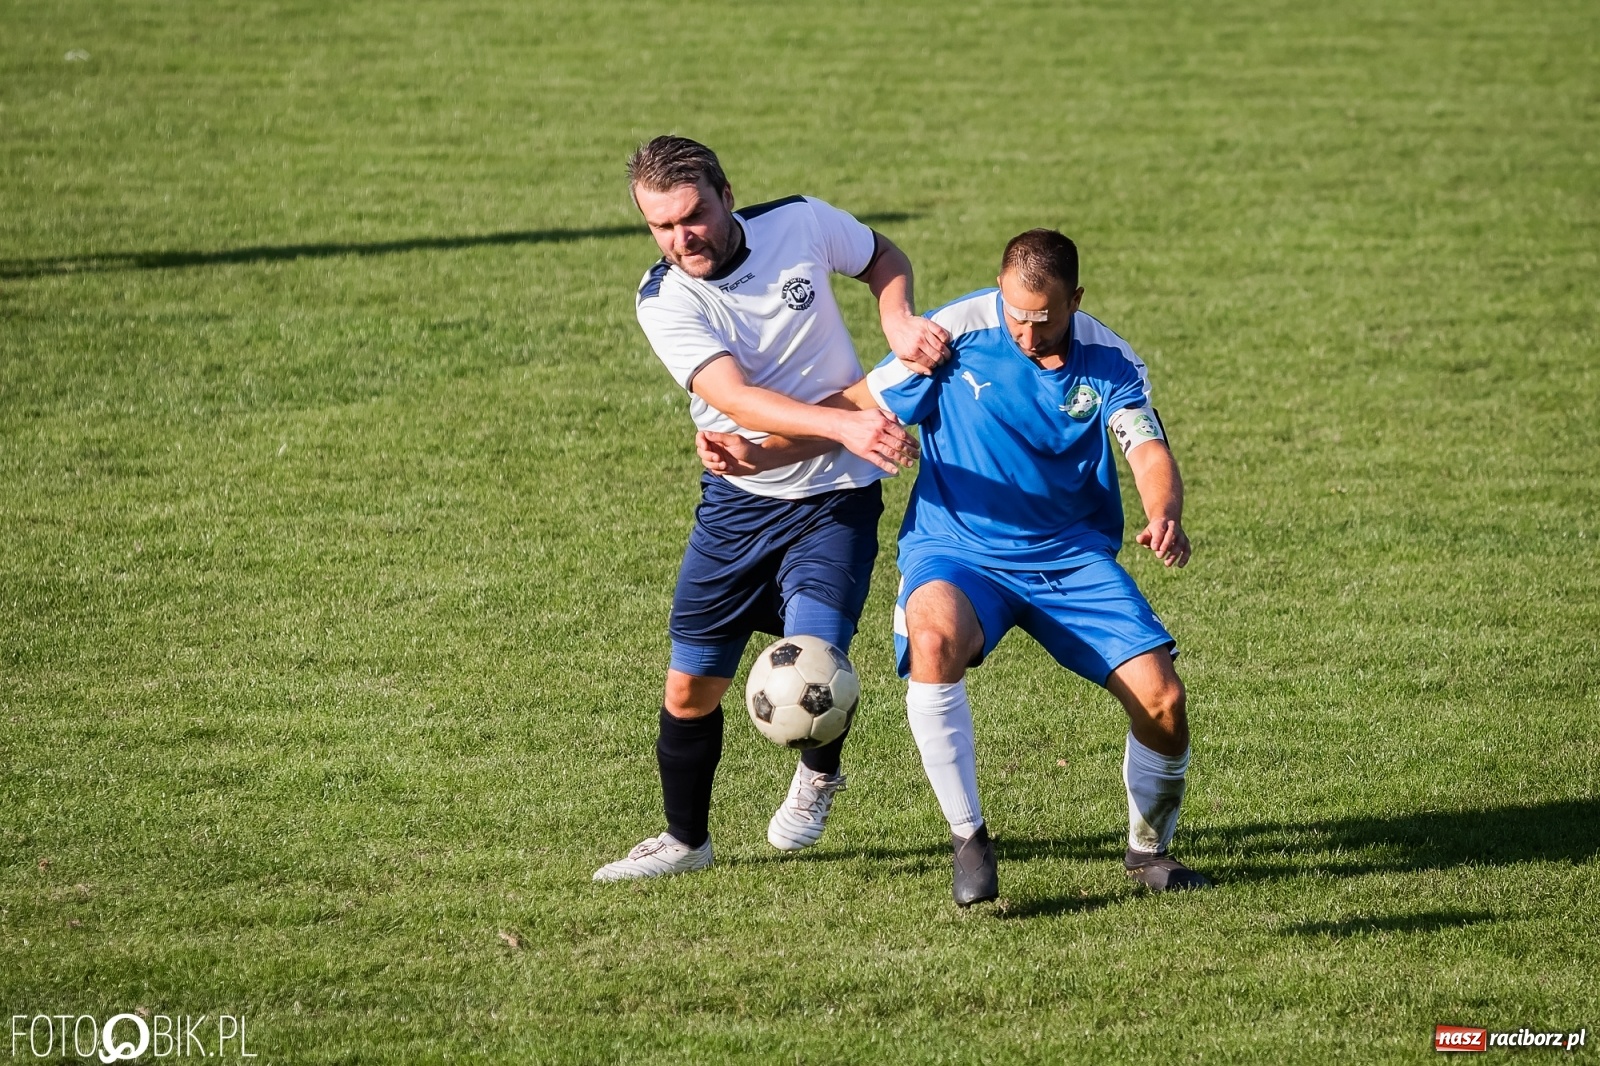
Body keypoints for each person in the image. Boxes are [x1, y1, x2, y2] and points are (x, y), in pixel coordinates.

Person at [698, 229, 1211, 903]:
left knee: (1164, 701)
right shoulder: (954, 334)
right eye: (1016, 314)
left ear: (1075, 300)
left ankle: (1148, 852)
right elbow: (859, 405)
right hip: (957, 551)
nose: (1027, 333)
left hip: (1070, 560)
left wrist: (1163, 511)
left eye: (1045, 317)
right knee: (933, 638)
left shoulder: (1110, 360)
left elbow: (1144, 448)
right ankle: (969, 839)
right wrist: (761, 453)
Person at [592, 136, 950, 882]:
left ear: (726, 193)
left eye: (691, 215)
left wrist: (896, 320)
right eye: (660, 226)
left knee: (817, 659)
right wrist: (849, 422)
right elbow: (735, 399)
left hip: (833, 500)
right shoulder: (666, 298)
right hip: (736, 509)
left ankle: (819, 775)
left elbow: (882, 258)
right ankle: (686, 842)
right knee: (690, 686)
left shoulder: (801, 222)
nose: (680, 237)